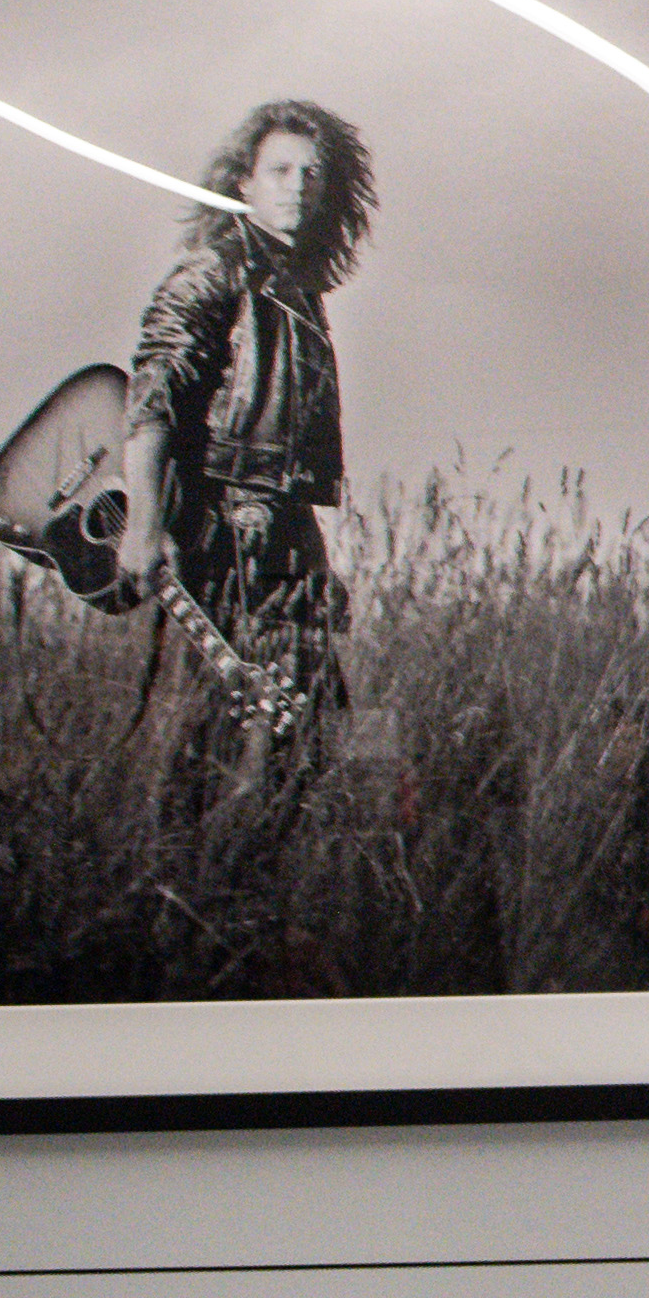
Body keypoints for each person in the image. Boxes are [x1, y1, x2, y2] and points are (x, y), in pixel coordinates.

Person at [117, 98, 371, 791]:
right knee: (214, 731)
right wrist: (143, 523)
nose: (297, 184)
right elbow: (150, 401)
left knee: (314, 731)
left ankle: (264, 885)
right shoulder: (212, 273)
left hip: (284, 531)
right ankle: (180, 887)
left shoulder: (296, 288)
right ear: (243, 182)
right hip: (221, 529)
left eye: (312, 173)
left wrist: (312, 555)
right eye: (280, 169)